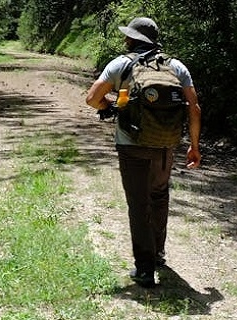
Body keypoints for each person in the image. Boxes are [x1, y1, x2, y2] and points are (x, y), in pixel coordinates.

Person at [85, 17, 201, 288]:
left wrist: (107, 106)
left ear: (131, 39)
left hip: (131, 144)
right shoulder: (176, 66)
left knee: (138, 203)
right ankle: (158, 254)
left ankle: (144, 268)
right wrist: (194, 147)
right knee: (159, 196)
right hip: (165, 145)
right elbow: (194, 108)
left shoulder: (121, 64)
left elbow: (92, 98)